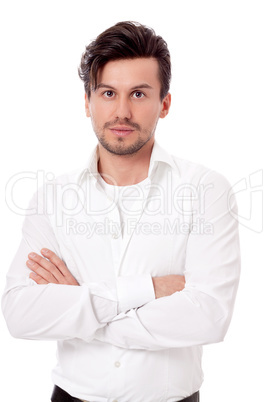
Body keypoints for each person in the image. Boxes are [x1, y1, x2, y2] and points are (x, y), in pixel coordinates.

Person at [1, 21, 240, 402]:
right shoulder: (52, 198)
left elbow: (208, 315)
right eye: (109, 93)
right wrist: (147, 290)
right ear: (87, 102)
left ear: (165, 104)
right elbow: (20, 313)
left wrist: (80, 308)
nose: (122, 111)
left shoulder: (205, 190)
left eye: (139, 94)